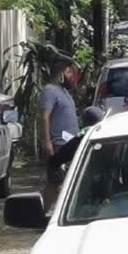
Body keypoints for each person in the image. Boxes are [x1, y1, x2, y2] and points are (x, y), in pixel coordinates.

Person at [40, 58, 80, 211]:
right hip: (58, 144)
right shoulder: (50, 90)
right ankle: (45, 212)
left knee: (68, 180)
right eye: (70, 72)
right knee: (55, 181)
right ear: (61, 72)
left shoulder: (65, 92)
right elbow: (45, 116)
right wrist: (47, 141)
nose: (72, 76)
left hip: (70, 143)